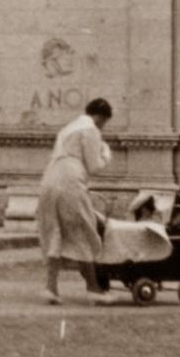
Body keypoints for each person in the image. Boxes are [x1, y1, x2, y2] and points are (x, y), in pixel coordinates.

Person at [37, 97, 114, 304]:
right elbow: (94, 166)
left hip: (50, 178)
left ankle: (51, 288)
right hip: (71, 180)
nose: (103, 126)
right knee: (83, 229)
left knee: (54, 231)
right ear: (100, 116)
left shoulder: (68, 128)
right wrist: (106, 154)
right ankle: (93, 289)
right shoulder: (91, 129)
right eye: (104, 122)